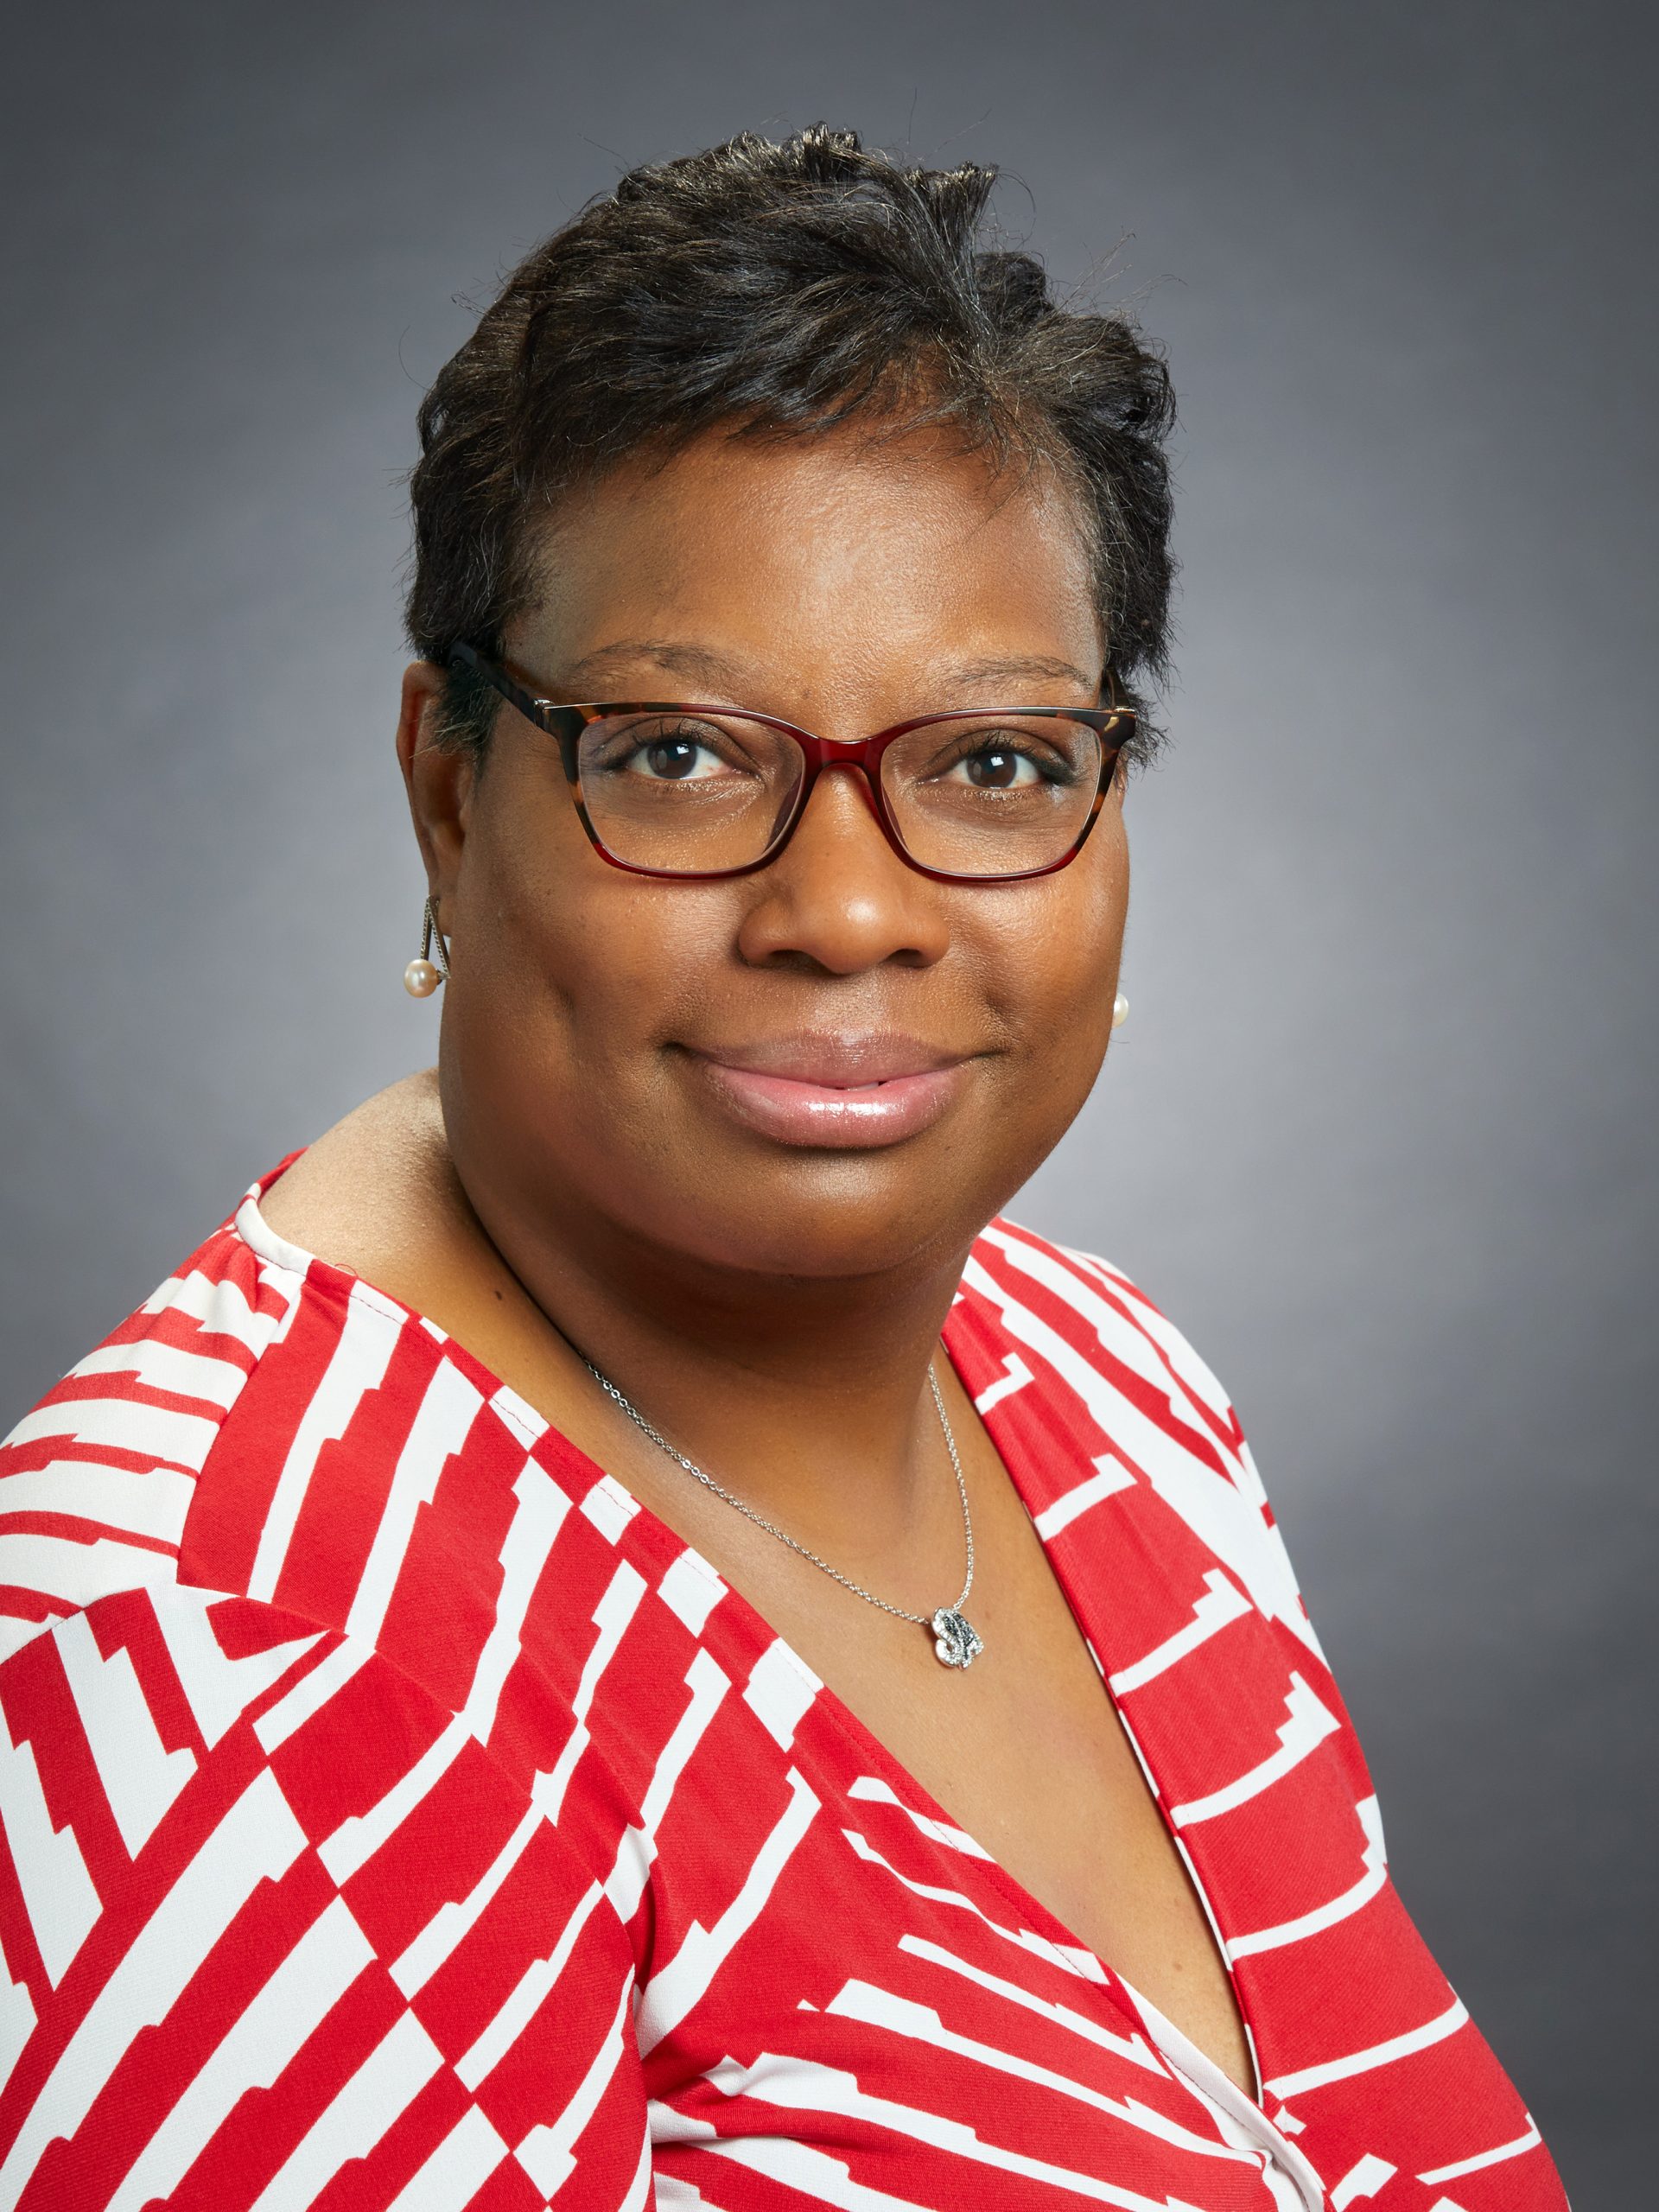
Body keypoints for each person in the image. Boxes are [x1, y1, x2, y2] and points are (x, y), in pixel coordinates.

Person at [0, 128, 1566, 2211]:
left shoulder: (1110, 1395)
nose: (848, 910)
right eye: (679, 750)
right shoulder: (235, 1636)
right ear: (451, 796)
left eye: (994, 762)